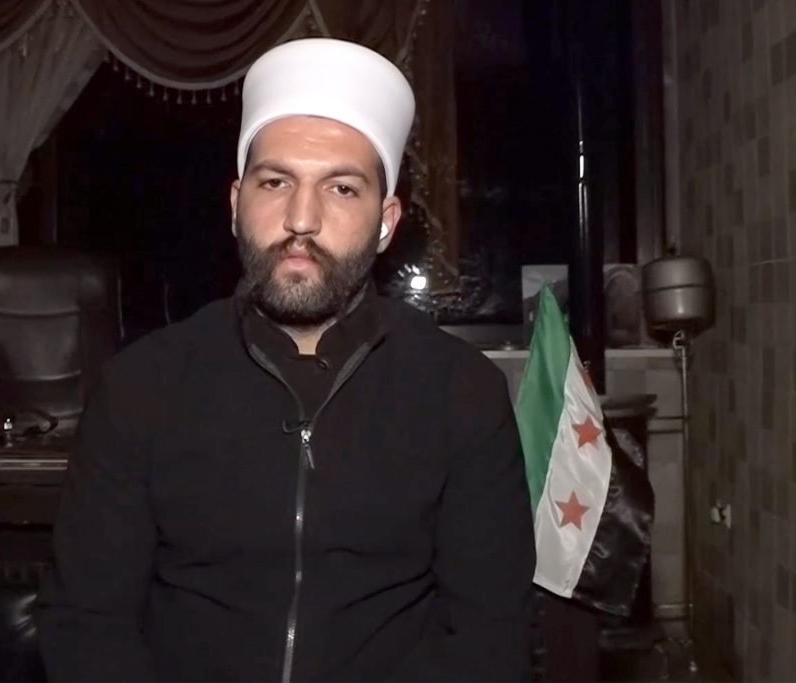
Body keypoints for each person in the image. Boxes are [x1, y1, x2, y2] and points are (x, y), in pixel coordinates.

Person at [36, 38, 535, 682]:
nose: (302, 218)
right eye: (276, 182)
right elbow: (86, 625)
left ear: (386, 222)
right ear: (235, 203)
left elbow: (488, 639)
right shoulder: (141, 386)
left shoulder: (462, 392)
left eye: (342, 188)